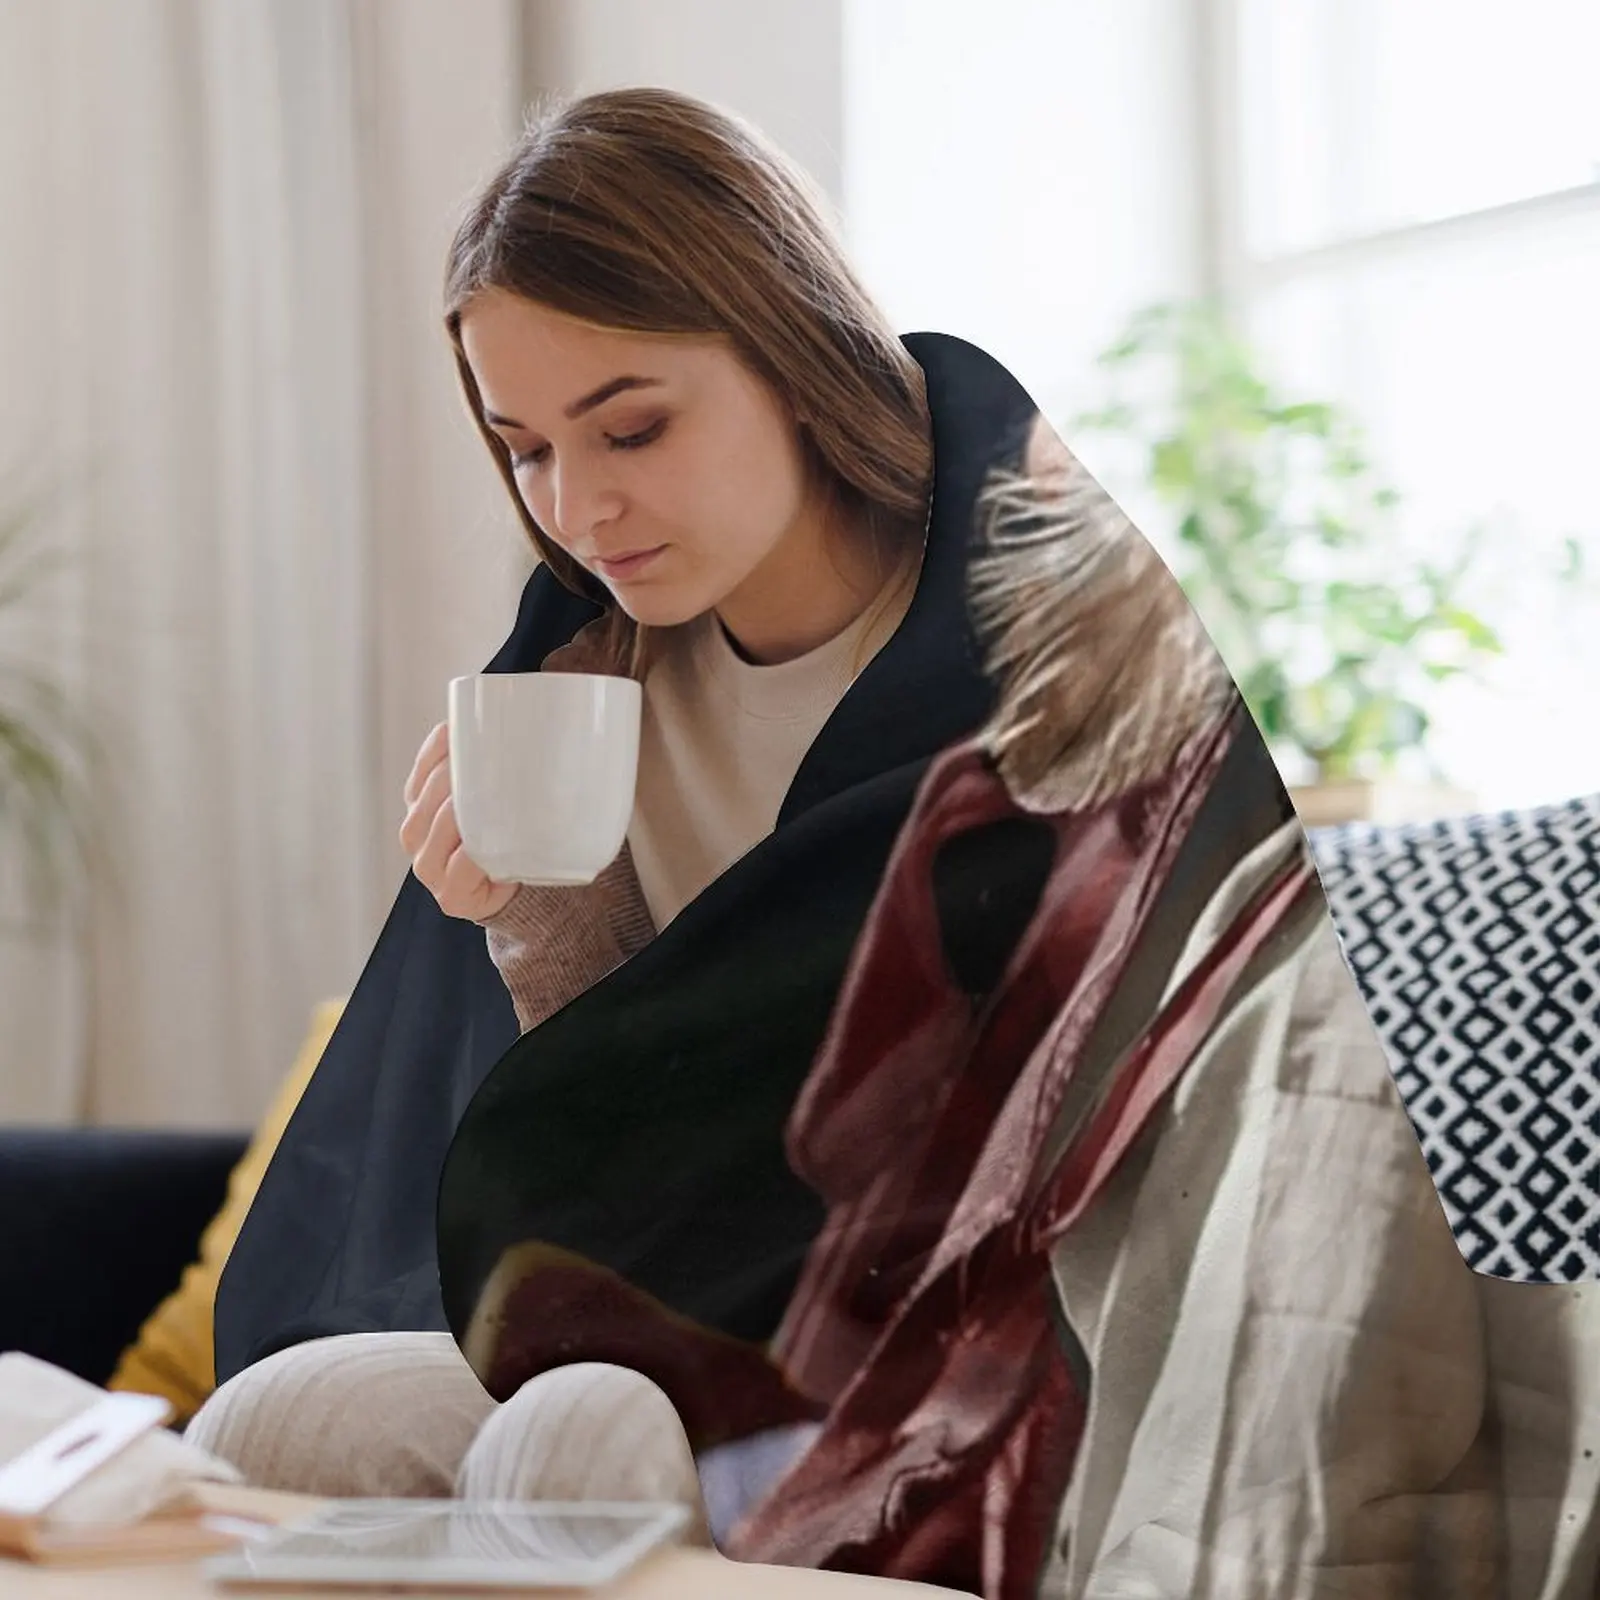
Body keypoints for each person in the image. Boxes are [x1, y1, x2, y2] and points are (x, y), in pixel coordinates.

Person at [192, 86, 1600, 1600]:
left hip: (1038, 1327)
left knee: (575, 1441)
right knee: (276, 1421)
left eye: (633, 426)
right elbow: (641, 1139)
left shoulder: (1051, 638)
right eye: (524, 448)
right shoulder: (586, 674)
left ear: (788, 352)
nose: (579, 505)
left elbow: (1167, 1127)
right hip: (698, 1323)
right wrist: (530, 915)